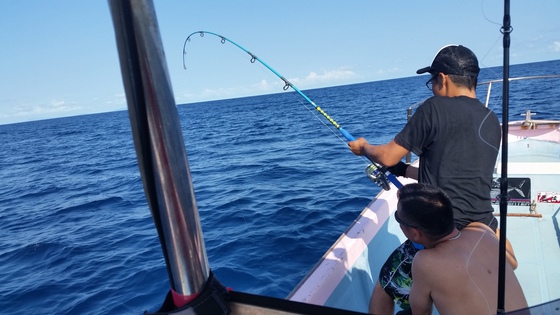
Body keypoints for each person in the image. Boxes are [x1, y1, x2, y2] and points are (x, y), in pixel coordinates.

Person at [347, 45, 512, 314]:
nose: (433, 88)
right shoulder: (492, 120)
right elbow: (453, 173)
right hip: (483, 225)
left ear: (443, 78)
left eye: (432, 81)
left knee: (384, 288)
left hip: (443, 228)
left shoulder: (434, 108)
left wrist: (363, 148)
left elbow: (387, 156)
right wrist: (402, 170)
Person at [395, 183, 528, 315]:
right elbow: (513, 264)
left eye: (398, 217)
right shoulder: (482, 229)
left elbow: (421, 312)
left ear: (415, 233)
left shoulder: (424, 261)